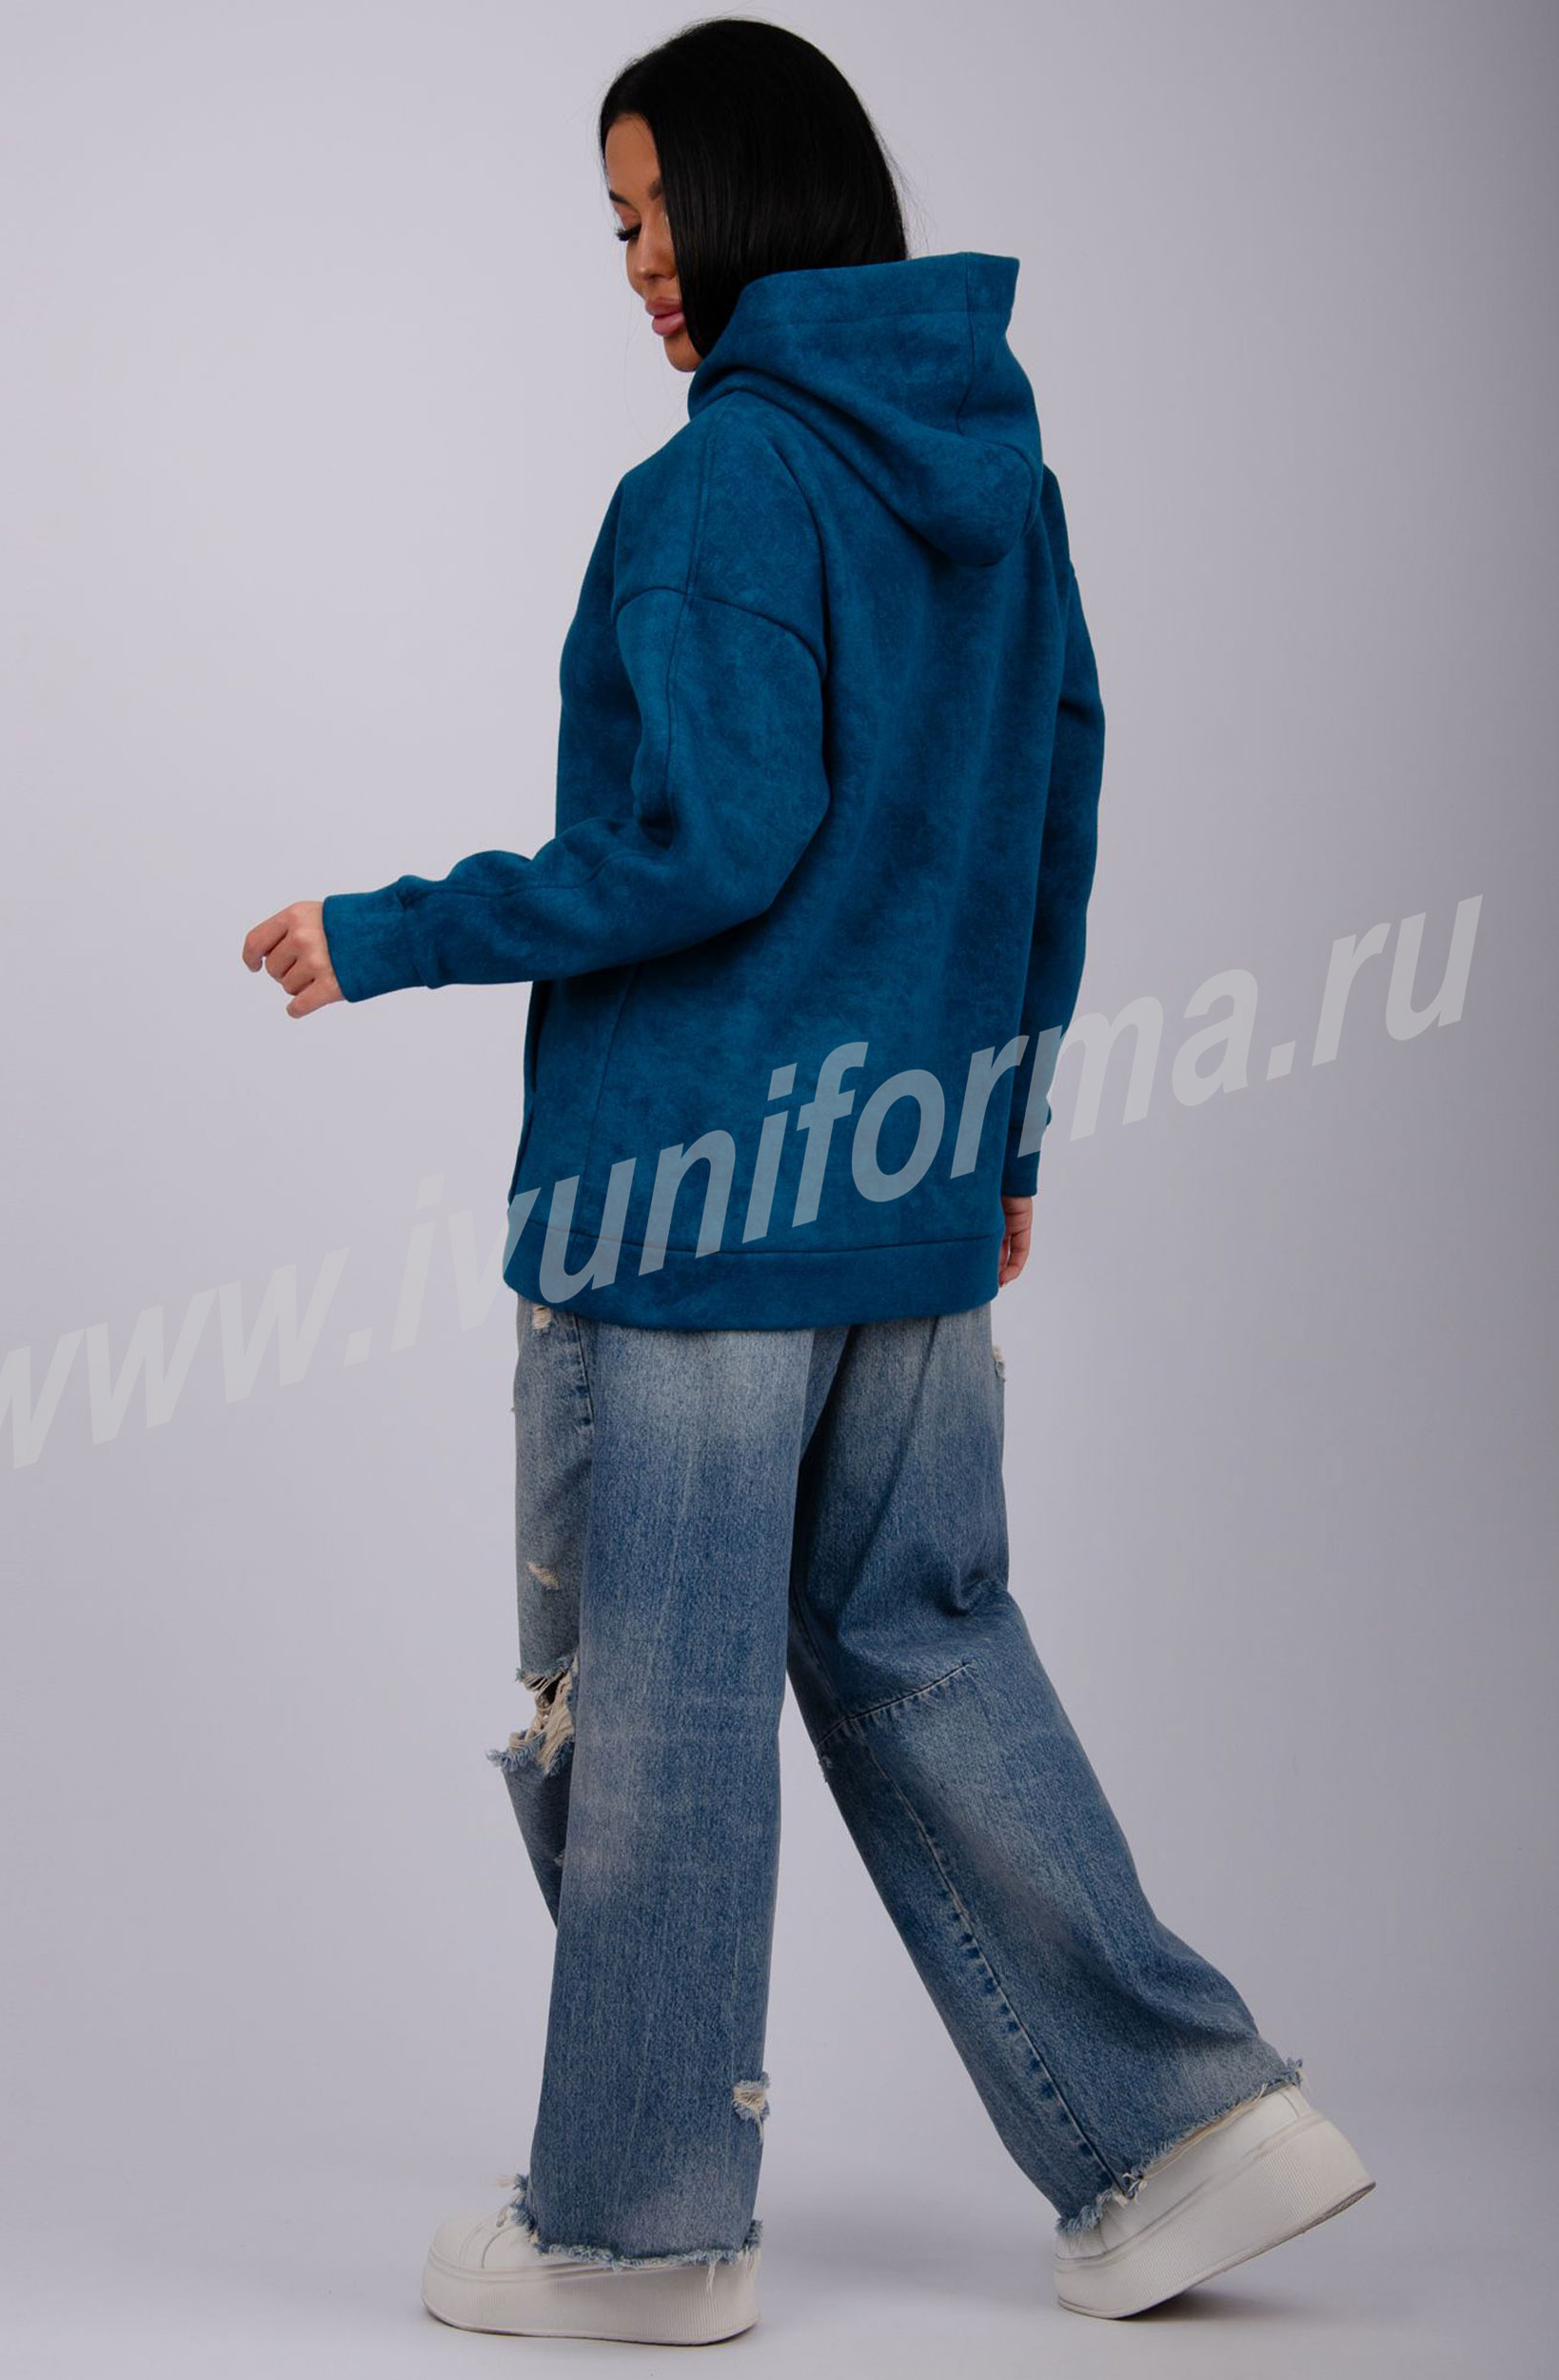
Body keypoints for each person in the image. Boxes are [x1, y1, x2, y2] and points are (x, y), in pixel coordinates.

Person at [241, 14, 1372, 2345]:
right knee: (925, 1640)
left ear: (758, 197)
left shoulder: (723, 481)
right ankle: (1187, 2125)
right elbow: (1052, 805)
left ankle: (636, 2221)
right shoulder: (998, 477)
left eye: (653, 214)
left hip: (685, 1213)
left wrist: (390, 930)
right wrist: (1001, 1133)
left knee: (653, 1699)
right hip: (907, 1191)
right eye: (617, 230)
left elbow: (708, 843)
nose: (639, 267)